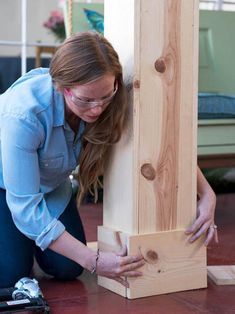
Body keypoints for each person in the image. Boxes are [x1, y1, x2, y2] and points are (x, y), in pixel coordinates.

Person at [0, 32, 216, 289]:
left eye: (105, 97)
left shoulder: (110, 93)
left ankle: (32, 239)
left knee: (69, 268)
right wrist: (95, 261)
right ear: (61, 87)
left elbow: (159, 140)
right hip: (7, 188)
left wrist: (206, 194)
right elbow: (24, 208)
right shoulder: (23, 115)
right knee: (9, 276)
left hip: (51, 186)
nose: (96, 109)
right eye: (85, 100)